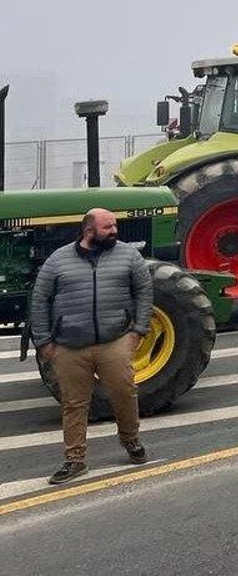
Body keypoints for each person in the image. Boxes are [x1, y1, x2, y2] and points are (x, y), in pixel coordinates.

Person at [29, 208, 152, 485]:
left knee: (124, 392)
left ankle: (131, 441)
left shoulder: (129, 255)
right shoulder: (57, 260)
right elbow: (39, 300)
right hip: (70, 346)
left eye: (114, 226)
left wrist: (138, 330)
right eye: (108, 227)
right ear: (88, 231)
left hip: (115, 340)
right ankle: (74, 460)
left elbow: (144, 291)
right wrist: (44, 340)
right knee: (74, 403)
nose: (114, 231)